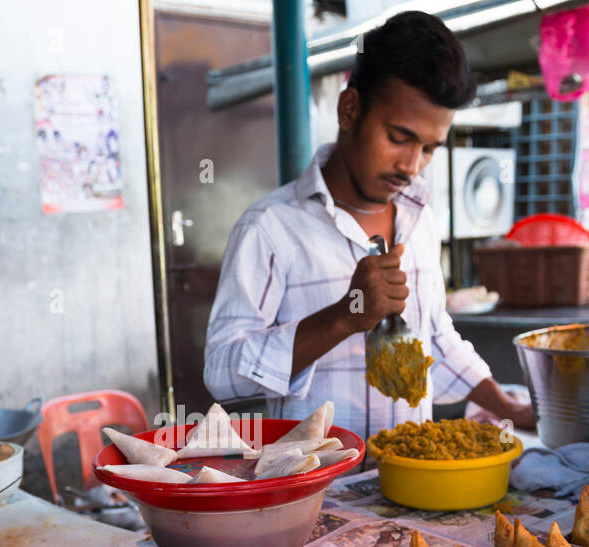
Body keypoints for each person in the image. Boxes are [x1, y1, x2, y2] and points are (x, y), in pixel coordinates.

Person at [203, 11, 534, 440]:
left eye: (429, 148)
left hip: (411, 482)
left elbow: (434, 334)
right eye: (399, 138)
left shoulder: (420, 219)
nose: (411, 166)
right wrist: (345, 315)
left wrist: (508, 407)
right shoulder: (271, 228)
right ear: (350, 108)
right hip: (320, 493)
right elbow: (222, 371)